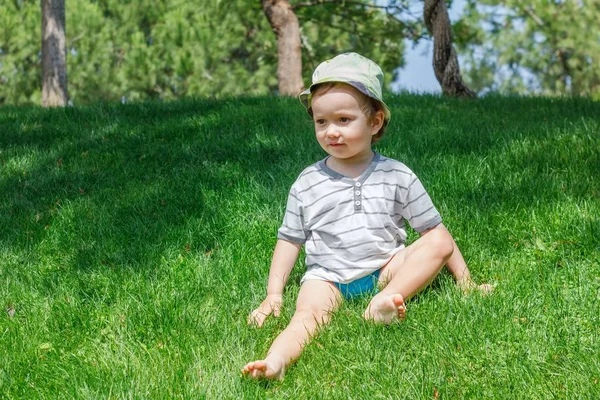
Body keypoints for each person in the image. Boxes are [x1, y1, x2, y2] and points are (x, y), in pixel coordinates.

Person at [242, 53, 491, 381]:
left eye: (344, 120)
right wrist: (274, 295)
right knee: (306, 315)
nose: (332, 131)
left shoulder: (396, 175)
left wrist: (466, 282)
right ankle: (276, 361)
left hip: (384, 269)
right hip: (327, 278)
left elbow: (435, 233)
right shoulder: (308, 182)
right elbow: (289, 240)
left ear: (375, 122)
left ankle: (383, 301)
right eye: (321, 122)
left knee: (440, 239)